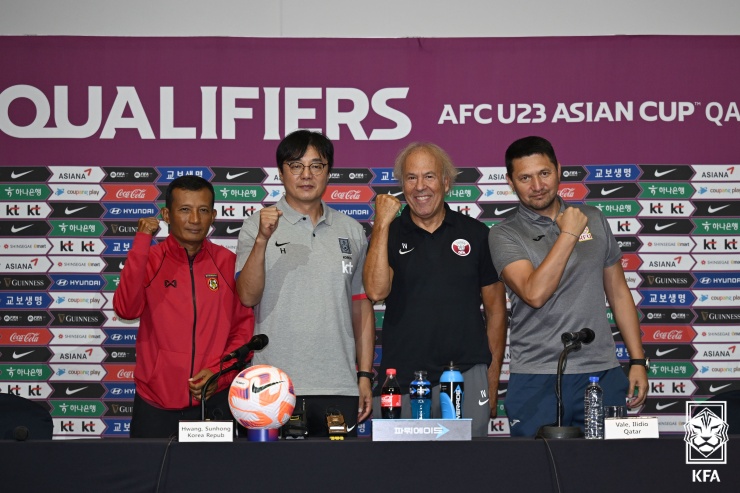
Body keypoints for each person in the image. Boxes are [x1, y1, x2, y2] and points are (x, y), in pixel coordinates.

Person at [489, 136, 648, 437]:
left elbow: (617, 291)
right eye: (525, 177)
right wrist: (569, 234)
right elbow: (534, 294)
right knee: (537, 476)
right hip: (538, 375)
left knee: (608, 475)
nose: (537, 185)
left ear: (559, 170)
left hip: (602, 371)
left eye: (544, 173)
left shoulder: (594, 218)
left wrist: (637, 359)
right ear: (510, 181)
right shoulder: (503, 234)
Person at [235, 130, 375, 437]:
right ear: (282, 172)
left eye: (317, 165)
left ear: (328, 172)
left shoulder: (351, 230)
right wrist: (262, 239)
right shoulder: (255, 225)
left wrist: (363, 375)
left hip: (337, 383)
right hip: (269, 386)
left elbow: (361, 306)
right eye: (296, 165)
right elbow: (247, 296)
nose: (306, 174)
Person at [364, 142, 507, 437]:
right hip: (401, 380)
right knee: (400, 476)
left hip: (466, 377)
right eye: (411, 177)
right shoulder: (387, 234)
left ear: (445, 182)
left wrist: (491, 379)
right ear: (402, 184)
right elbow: (376, 291)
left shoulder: (476, 234)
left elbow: (496, 310)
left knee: (466, 475)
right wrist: (381, 224)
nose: (420, 187)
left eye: (429, 176)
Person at [113, 175, 254, 438]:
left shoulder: (228, 263)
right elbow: (126, 309)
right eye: (185, 210)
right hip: (154, 404)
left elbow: (242, 331)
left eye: (203, 210)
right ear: (167, 214)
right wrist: (142, 241)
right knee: (150, 478)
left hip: (214, 401)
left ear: (213, 216)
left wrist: (218, 374)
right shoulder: (150, 259)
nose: (195, 220)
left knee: (212, 480)